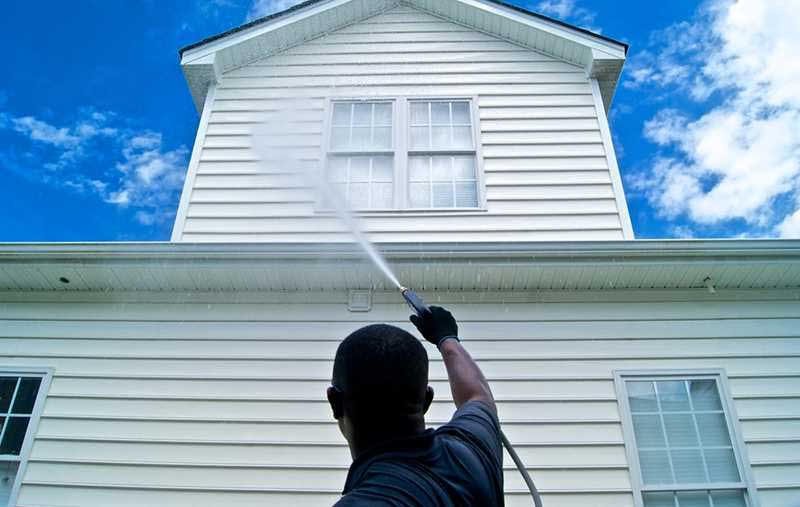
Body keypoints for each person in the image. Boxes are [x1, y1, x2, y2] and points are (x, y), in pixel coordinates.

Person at [327, 305, 504, 506]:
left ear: (335, 402)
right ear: (426, 400)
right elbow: (477, 396)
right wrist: (447, 338)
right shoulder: (471, 451)